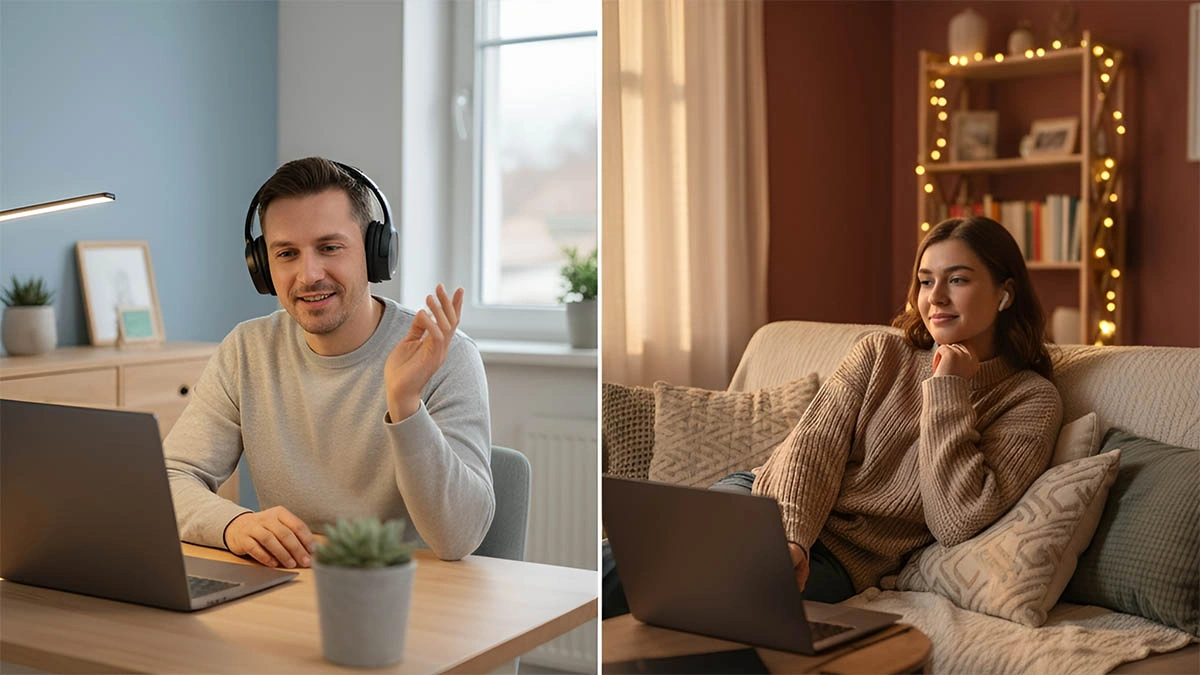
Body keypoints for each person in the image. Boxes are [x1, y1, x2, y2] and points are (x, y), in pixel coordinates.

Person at [603, 215, 1062, 616]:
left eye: (957, 280)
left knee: (697, 591)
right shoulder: (882, 351)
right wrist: (791, 539)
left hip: (844, 560)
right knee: (639, 562)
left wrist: (948, 389)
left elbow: (956, 520)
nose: (935, 297)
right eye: (925, 281)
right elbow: (811, 446)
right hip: (769, 503)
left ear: (1004, 295)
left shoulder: (1030, 400)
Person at [164, 157, 494, 569]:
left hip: (405, 597)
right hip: (290, 590)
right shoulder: (247, 350)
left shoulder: (445, 356)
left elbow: (457, 538)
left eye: (330, 248)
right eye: (286, 253)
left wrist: (405, 402)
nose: (308, 274)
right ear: (263, 267)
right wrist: (233, 525)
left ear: (376, 254)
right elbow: (170, 478)